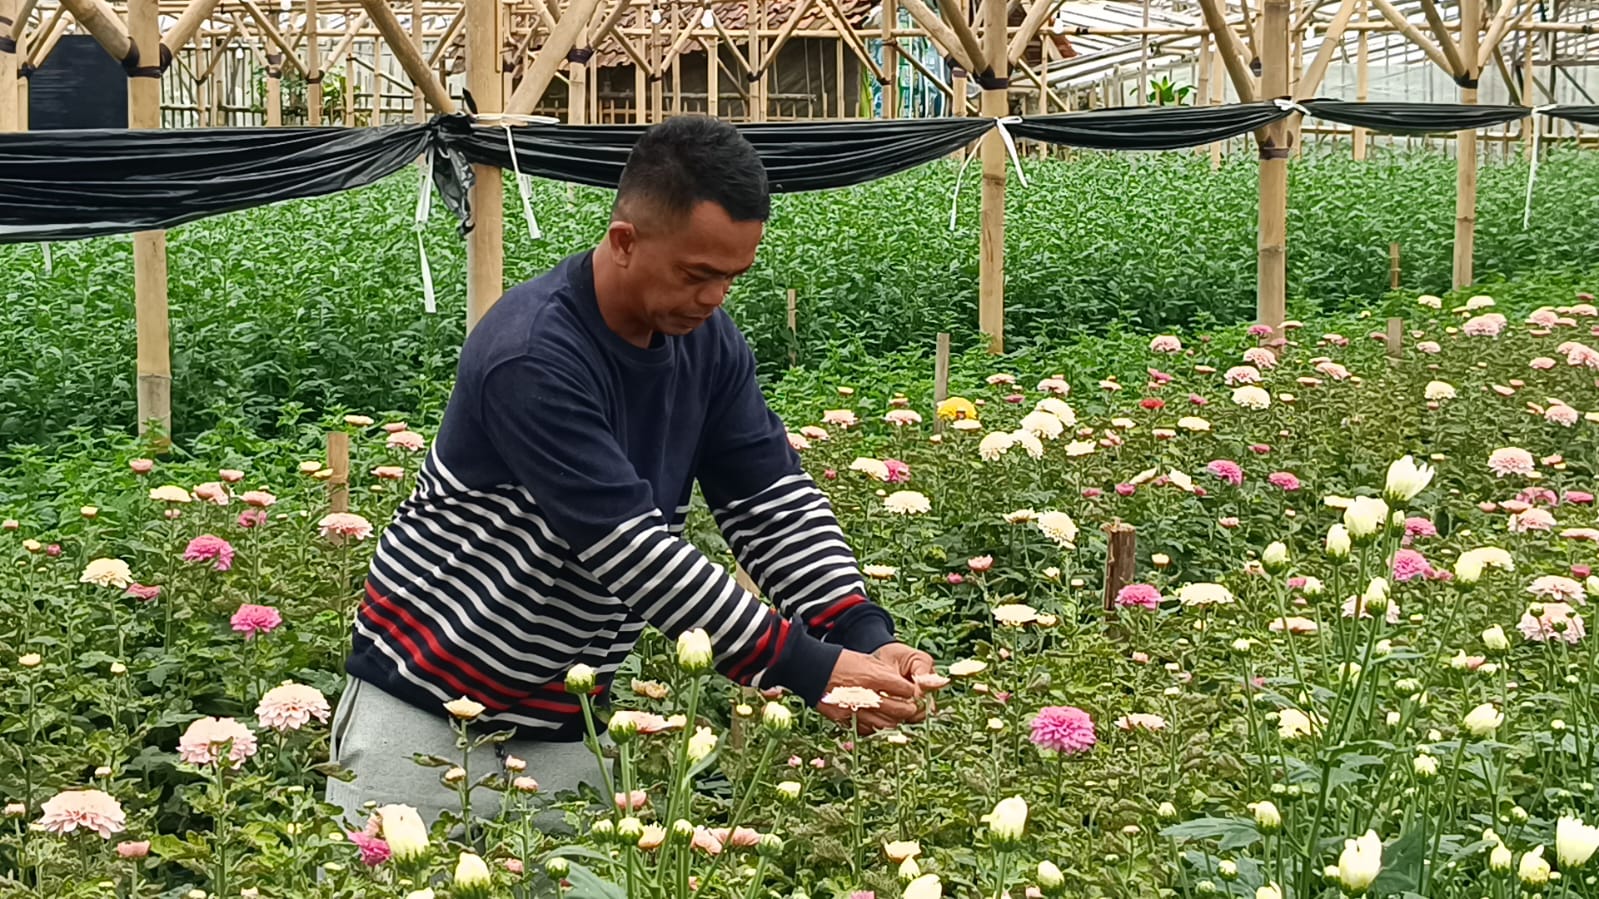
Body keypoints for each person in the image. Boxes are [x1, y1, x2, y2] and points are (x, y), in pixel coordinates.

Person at [325, 115, 936, 828]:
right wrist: (803, 665)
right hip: (425, 708)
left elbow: (771, 502)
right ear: (624, 241)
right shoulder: (532, 353)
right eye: (696, 274)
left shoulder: (707, 344)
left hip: (564, 719)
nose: (713, 299)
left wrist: (861, 630)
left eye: (732, 277)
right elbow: (631, 551)